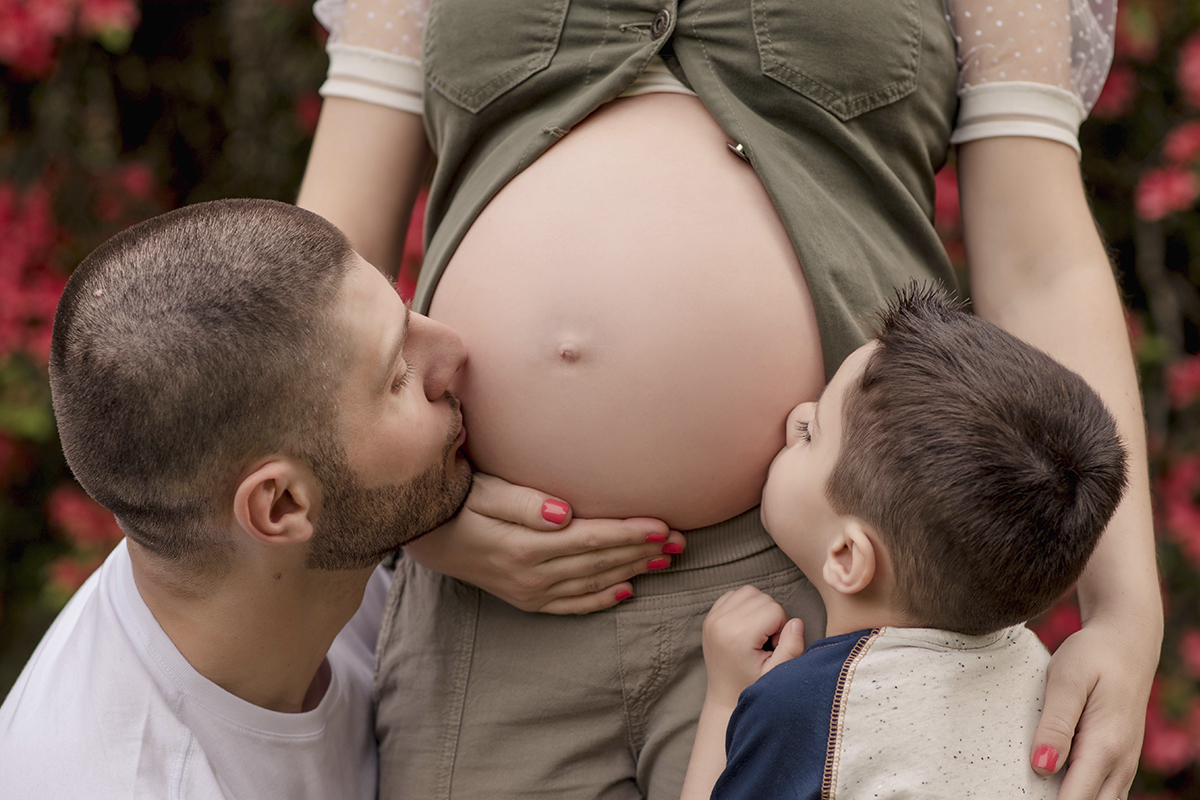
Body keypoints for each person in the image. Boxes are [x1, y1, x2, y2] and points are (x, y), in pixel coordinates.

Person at [297, 1, 1161, 798]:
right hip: (492, 594)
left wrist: (1125, 615)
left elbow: (1042, 269)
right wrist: (413, 512)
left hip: (822, 597)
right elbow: (317, 269)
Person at [0, 198, 475, 799]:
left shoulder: (273, 572)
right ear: (280, 507)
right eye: (399, 376)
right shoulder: (120, 780)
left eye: (406, 311)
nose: (453, 351)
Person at [678, 285, 1129, 800]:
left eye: (812, 435)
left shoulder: (808, 708)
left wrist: (727, 698)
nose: (793, 417)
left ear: (848, 558)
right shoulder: (1047, 685)